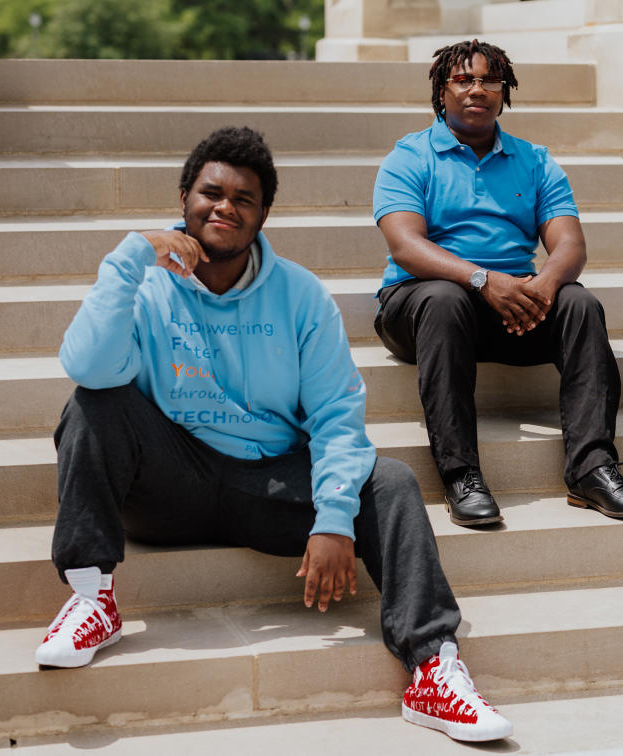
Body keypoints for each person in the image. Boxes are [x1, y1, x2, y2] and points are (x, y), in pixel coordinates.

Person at [35, 126, 512, 743]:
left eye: (245, 199)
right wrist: (129, 256)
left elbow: (338, 416)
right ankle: (94, 599)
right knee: (93, 405)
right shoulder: (146, 281)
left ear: (264, 214)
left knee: (389, 482)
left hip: (270, 486)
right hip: (169, 485)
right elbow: (90, 368)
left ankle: (432, 670)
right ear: (184, 198)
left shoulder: (300, 295)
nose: (225, 207)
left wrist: (334, 517)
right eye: (211, 193)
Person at [372, 40, 623, 527]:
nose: (476, 89)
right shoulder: (409, 157)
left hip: (513, 306)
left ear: (504, 92)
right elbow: (405, 246)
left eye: (489, 80)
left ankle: (592, 470)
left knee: (579, 303)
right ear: (442, 91)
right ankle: (461, 475)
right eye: (463, 80)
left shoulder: (535, 161)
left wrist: (544, 286)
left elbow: (570, 246)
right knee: (444, 299)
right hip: (420, 306)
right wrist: (483, 281)